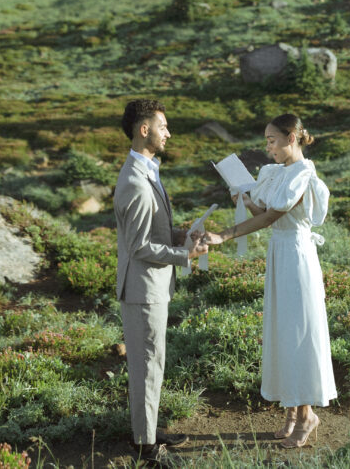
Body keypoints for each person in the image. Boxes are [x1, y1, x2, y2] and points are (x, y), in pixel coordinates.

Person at [203, 113, 336, 448]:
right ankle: (292, 410)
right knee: (282, 330)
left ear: (292, 138)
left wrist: (225, 235)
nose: (268, 147)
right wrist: (243, 198)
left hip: (297, 256)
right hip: (280, 254)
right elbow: (263, 214)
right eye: (266, 141)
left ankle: (307, 414)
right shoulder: (274, 173)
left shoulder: (303, 173)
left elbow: (274, 215)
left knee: (298, 330)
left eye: (272, 140)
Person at [114, 99, 209, 467]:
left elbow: (154, 231)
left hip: (150, 286)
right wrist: (185, 256)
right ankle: (144, 444)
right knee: (146, 365)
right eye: (163, 126)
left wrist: (183, 234)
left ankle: (149, 431)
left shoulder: (148, 170)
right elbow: (139, 246)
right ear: (144, 130)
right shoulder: (136, 181)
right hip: (142, 288)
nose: (168, 133)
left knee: (153, 363)